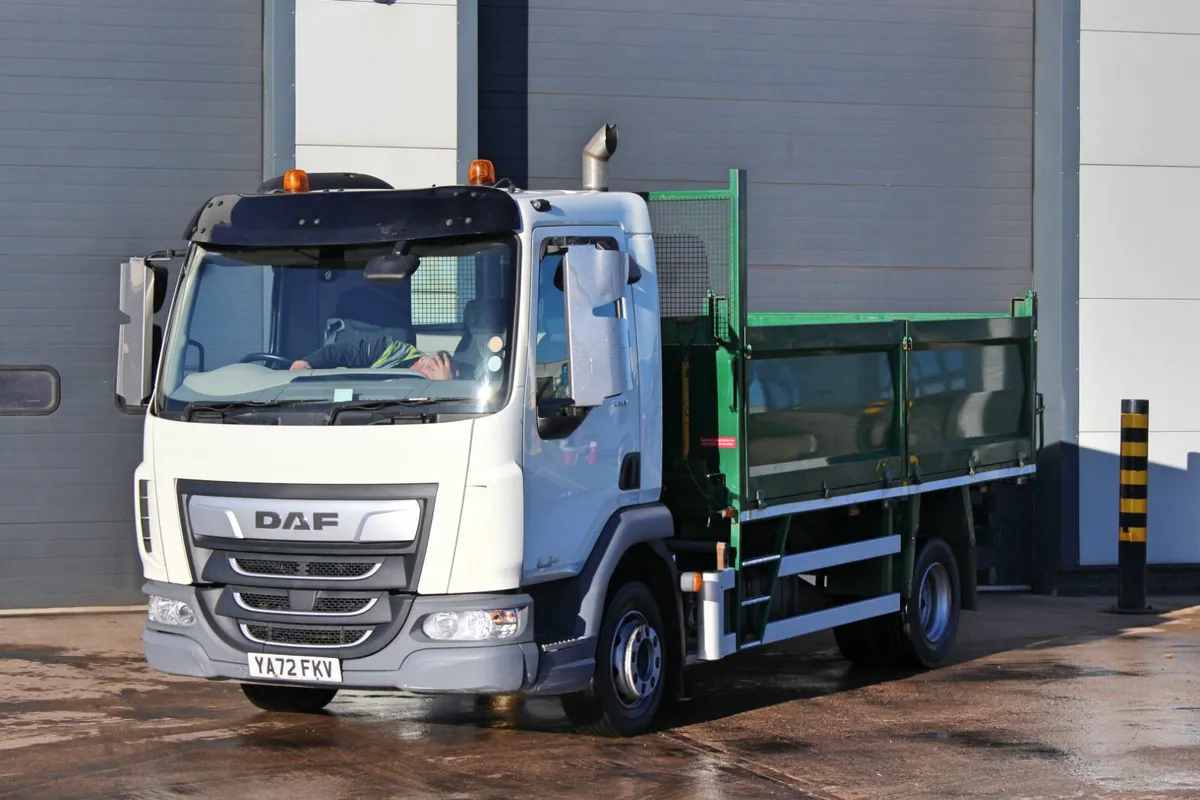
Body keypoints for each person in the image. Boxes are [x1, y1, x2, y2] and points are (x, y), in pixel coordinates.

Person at [290, 336, 455, 379]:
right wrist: (308, 362)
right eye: (430, 367)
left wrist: (443, 388)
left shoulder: (432, 389)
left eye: (435, 376)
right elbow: (347, 351)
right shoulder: (392, 351)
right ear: (421, 359)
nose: (428, 373)